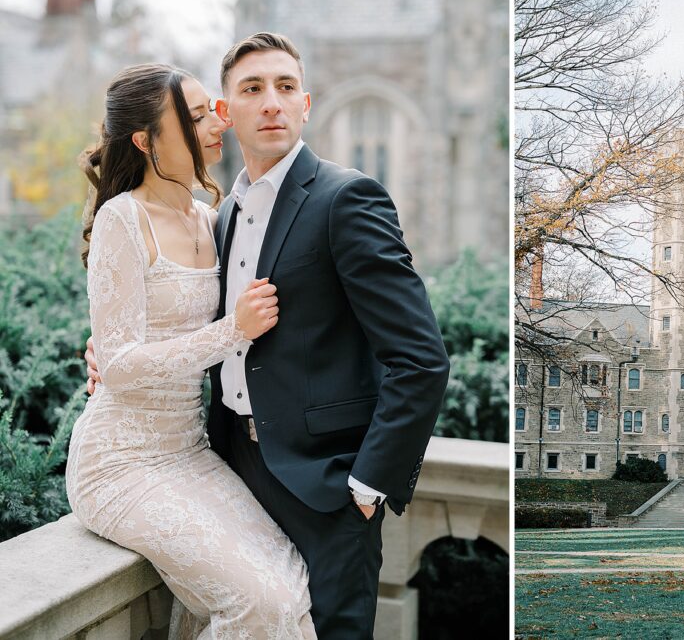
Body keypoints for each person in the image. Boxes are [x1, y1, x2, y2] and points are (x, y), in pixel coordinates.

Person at [87, 33, 451, 639]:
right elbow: (168, 317)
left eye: (286, 88)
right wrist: (107, 354)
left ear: (307, 104)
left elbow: (420, 359)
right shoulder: (219, 216)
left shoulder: (347, 198)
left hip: (327, 483)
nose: (272, 103)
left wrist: (368, 482)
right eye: (252, 90)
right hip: (227, 462)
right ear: (227, 115)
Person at [68, 63, 317, 638]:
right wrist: (234, 330)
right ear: (146, 140)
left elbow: (135, 345)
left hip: (190, 453)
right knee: (260, 603)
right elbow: (123, 368)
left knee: (287, 584)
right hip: (120, 465)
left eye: (213, 110)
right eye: (198, 116)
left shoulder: (213, 219)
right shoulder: (122, 219)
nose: (219, 125)